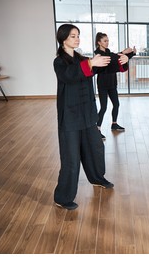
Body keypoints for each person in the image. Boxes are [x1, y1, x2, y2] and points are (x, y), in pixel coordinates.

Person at [53, 24, 129, 210]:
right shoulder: (59, 62)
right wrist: (90, 64)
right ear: (63, 39)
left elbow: (103, 66)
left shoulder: (82, 58)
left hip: (87, 114)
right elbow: (70, 76)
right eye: (72, 36)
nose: (77, 39)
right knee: (71, 157)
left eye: (78, 35)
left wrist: (124, 59)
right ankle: (62, 197)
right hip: (70, 116)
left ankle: (97, 178)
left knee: (95, 148)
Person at [94, 32, 136, 139]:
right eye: (105, 41)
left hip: (112, 83)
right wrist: (124, 53)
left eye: (108, 40)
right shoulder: (98, 55)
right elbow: (112, 58)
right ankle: (97, 129)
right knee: (103, 107)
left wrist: (131, 53)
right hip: (103, 84)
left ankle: (114, 124)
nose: (107, 42)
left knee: (116, 104)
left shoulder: (108, 52)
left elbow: (117, 58)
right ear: (99, 42)